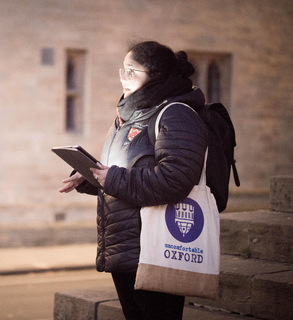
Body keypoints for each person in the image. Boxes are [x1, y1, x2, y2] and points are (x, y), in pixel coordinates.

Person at [59, 41, 208, 319]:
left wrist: (111, 178)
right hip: (127, 246)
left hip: (157, 246)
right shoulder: (130, 115)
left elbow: (174, 180)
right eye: (122, 70)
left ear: (155, 75)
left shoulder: (176, 114)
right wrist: (90, 176)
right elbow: (125, 170)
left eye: (131, 71)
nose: (122, 79)